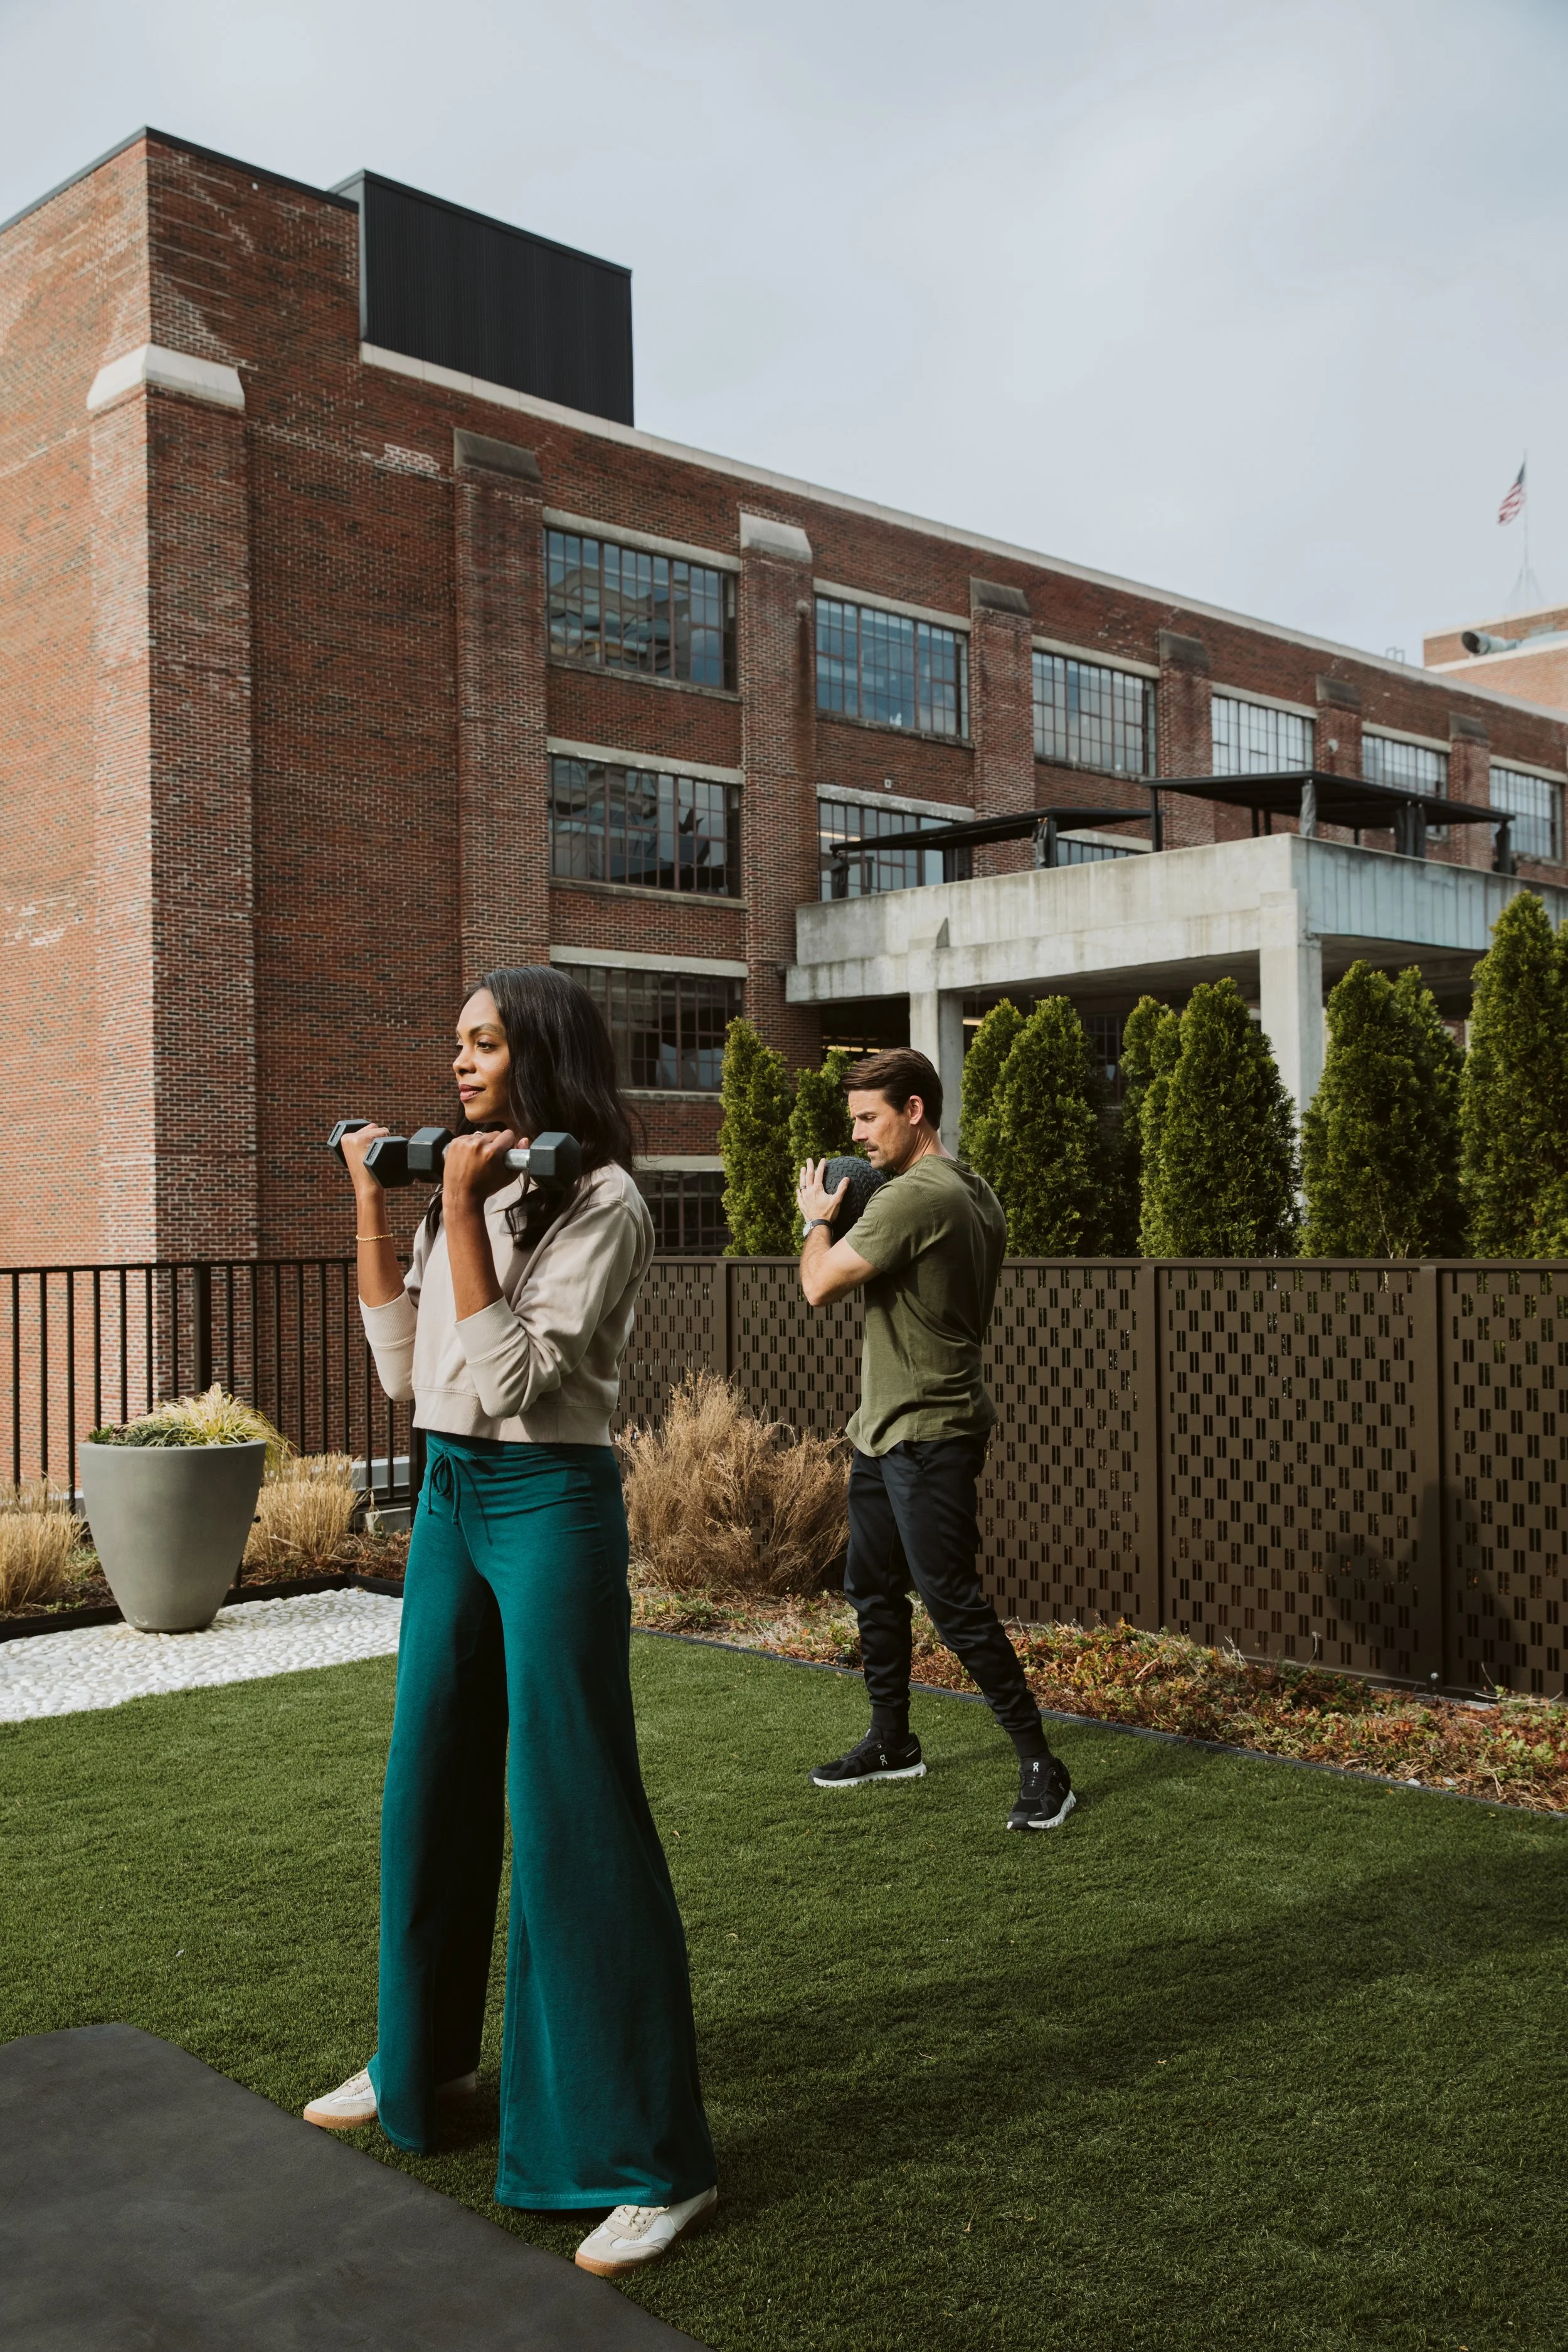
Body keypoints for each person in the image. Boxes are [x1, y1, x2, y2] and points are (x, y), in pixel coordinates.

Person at [304, 966, 718, 2279]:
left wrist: (466, 1212)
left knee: (569, 1807)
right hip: (448, 1498)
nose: (459, 1065)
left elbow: (515, 1376)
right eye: (455, 1044)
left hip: (547, 1503)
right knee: (424, 1784)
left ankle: (653, 2161)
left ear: (537, 1056)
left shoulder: (602, 1200)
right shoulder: (465, 1197)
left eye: (480, 1044)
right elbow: (404, 1369)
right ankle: (412, 2062)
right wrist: (385, 1206)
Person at [795, 1047, 1075, 1832]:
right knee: (873, 1588)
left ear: (914, 1110)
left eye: (868, 1118)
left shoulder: (919, 1197)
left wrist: (818, 1218)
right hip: (883, 1428)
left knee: (951, 1601)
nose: (859, 1134)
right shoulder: (969, 1188)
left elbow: (817, 1286)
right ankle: (892, 1741)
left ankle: (1040, 1763)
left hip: (928, 1431)